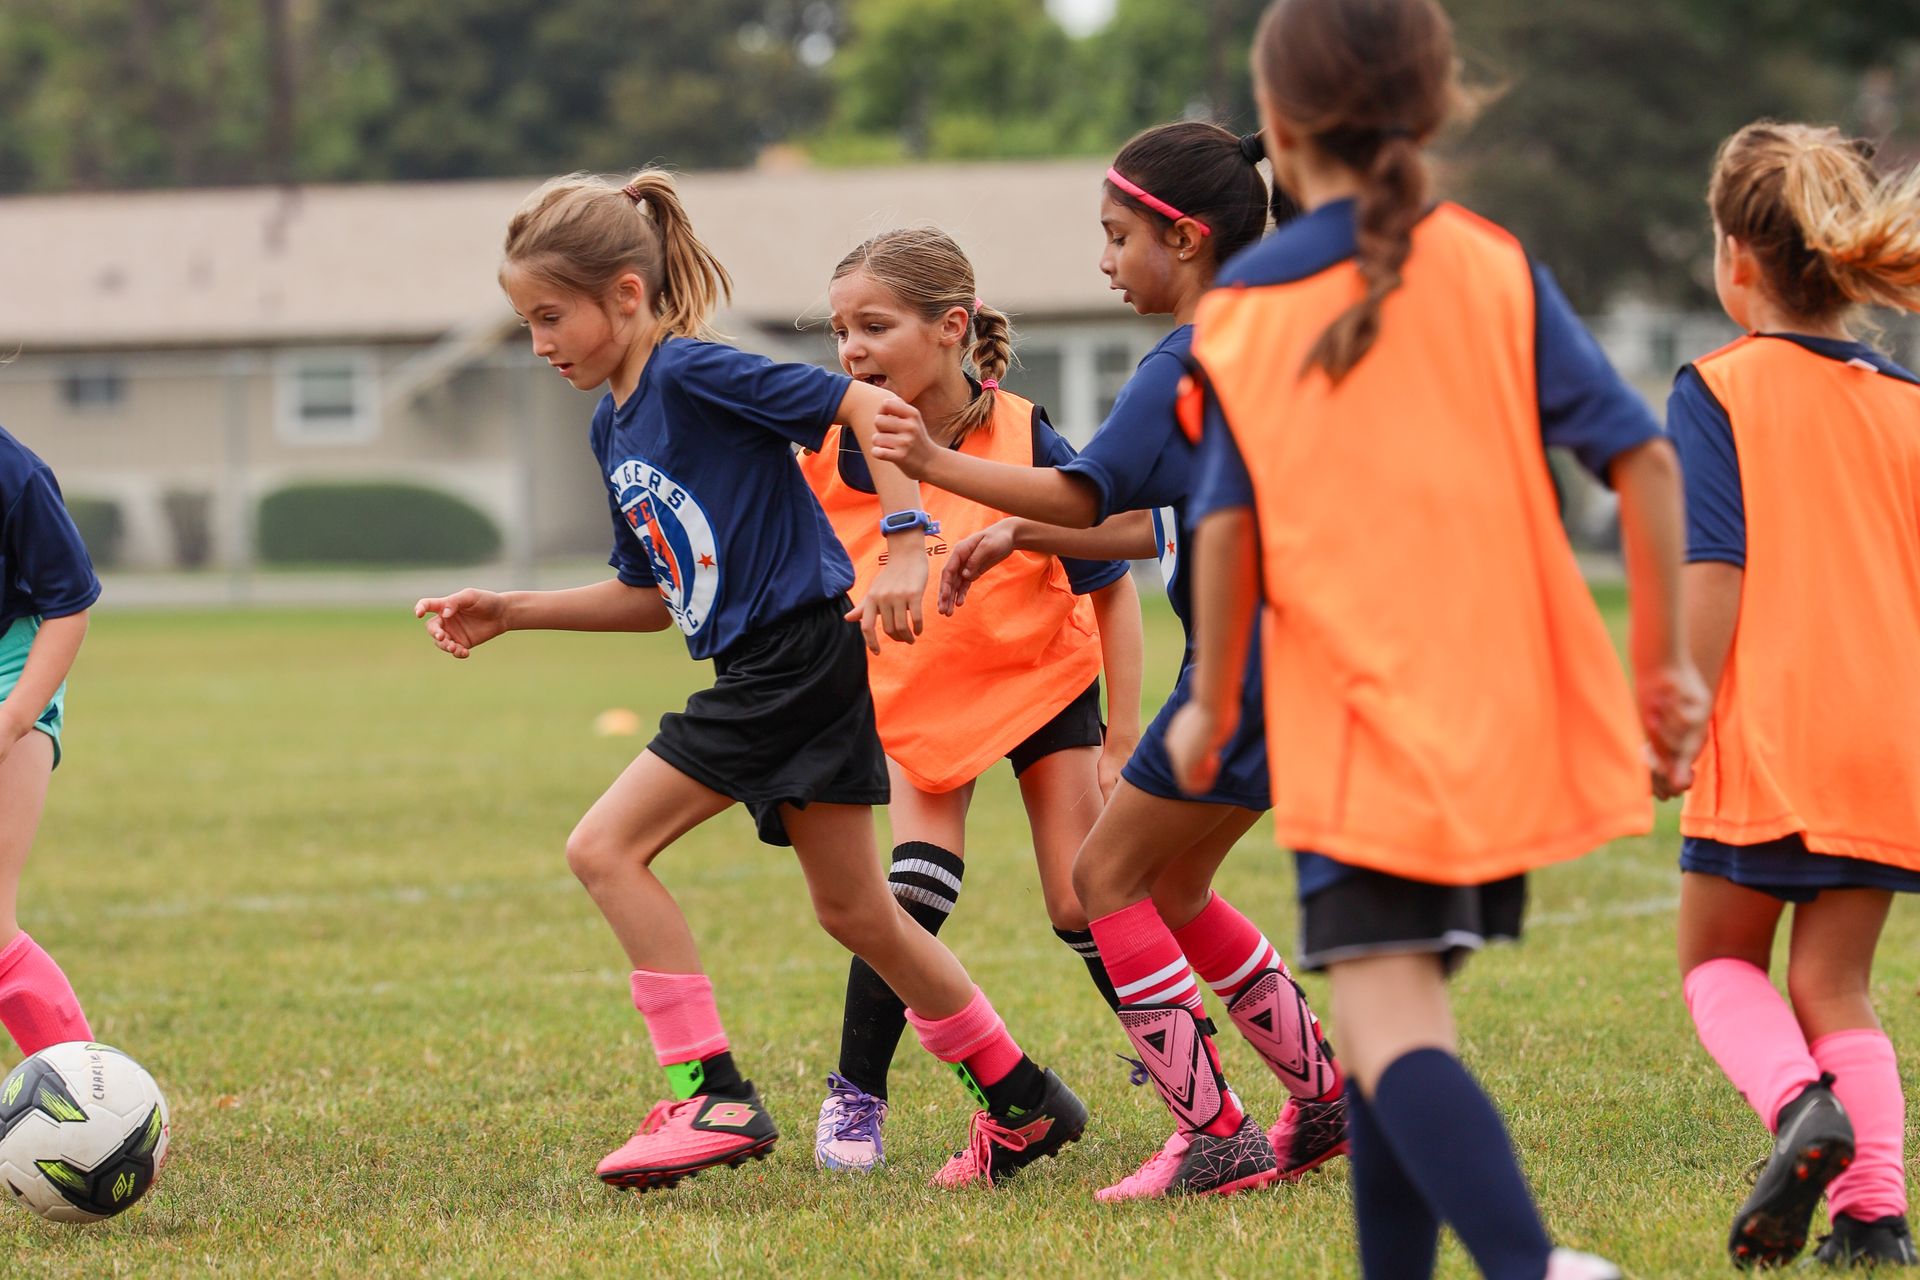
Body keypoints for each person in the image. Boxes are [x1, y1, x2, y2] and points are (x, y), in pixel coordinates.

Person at [1162, 1, 1705, 1275]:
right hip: (1502, 702)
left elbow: (1228, 528)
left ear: (1281, 128)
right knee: (1377, 1027)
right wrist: (1664, 662)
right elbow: (1641, 456)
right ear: (1434, 104)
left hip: (1361, 716)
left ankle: (1530, 1263)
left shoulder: (1242, 304)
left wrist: (1209, 701)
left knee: (1392, 1019)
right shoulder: (1491, 260)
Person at [416, 169, 1085, 1192]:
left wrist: (907, 538)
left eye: (552, 316)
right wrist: (512, 608)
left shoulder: (691, 374)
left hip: (793, 658)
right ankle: (1021, 1093)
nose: (540, 341)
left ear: (627, 296)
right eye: (526, 321)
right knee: (859, 909)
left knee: (604, 847)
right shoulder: (617, 425)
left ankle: (711, 1089)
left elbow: (867, 404)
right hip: (781, 663)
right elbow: (651, 593)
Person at [869, 122, 1348, 1200]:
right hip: (1312, 661)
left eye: (1116, 234)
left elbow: (1091, 490)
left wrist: (937, 461)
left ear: (1183, 238)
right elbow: (1157, 522)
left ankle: (1212, 1133)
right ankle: (1322, 1102)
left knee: (1102, 878)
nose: (1104, 259)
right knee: (1174, 879)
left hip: (1244, 667)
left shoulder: (1185, 359)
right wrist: (1027, 536)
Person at [801, 227, 1145, 1178]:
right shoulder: (827, 445)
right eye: (839, 330)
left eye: (874, 325)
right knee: (908, 893)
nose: (851, 350)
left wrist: (1121, 734)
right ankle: (856, 1096)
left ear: (951, 328)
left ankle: (1176, 1074)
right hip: (917, 701)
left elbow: (1113, 561)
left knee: (1082, 899)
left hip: (1042, 682)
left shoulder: (1022, 431)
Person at [1667, 120, 1920, 1269]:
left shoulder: (1719, 386)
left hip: (1774, 727)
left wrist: (1681, 706)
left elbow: (1715, 566)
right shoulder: (1907, 399)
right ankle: (1874, 1220)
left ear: (1738, 257)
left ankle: (1798, 1109)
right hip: (1889, 743)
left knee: (1718, 962)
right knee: (1838, 980)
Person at [0, 426, 99, 1062]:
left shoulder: (16, 475)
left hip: (12, 671)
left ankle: (101, 1121)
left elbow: (69, 605)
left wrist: (12, 721)